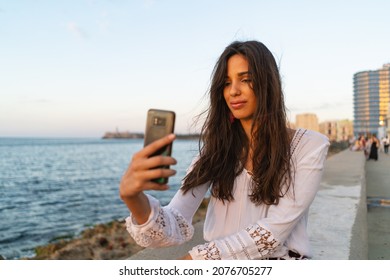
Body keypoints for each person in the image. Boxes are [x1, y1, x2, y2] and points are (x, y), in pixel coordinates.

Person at [119, 40, 330, 260]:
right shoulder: (215, 152)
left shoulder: (309, 145)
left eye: (246, 80)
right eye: (226, 83)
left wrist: (195, 260)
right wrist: (133, 197)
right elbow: (174, 226)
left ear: (268, 83)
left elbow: (272, 233)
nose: (233, 91)